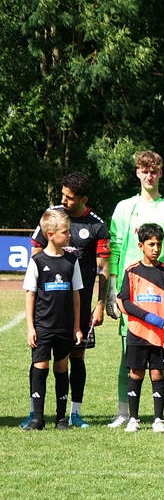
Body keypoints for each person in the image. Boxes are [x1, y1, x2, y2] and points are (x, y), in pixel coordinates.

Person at [107, 151, 164, 428]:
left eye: (154, 171)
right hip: (132, 292)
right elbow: (116, 248)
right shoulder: (124, 208)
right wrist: (112, 289)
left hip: (162, 293)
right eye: (144, 170)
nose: (149, 175)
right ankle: (123, 412)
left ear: (160, 173)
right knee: (128, 355)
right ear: (137, 173)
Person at [22, 172, 110, 429]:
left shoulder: (96, 226)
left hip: (79, 303)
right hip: (48, 306)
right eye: (63, 195)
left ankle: (74, 413)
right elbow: (36, 252)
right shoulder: (53, 215)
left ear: (83, 199)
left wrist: (100, 304)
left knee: (77, 356)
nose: (64, 201)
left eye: (70, 198)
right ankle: (34, 412)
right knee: (40, 359)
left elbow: (103, 268)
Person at [22, 209, 84, 430]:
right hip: (43, 326)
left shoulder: (71, 261)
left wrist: (76, 327)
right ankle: (37, 417)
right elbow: (30, 294)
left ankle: (61, 418)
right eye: (65, 232)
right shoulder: (37, 261)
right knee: (40, 367)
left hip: (64, 327)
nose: (69, 235)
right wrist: (31, 327)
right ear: (50, 235)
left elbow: (76, 296)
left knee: (61, 368)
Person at [116, 223, 164, 433]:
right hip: (137, 333)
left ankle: (158, 420)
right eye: (151, 244)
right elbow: (124, 301)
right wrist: (148, 317)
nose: (156, 248)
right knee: (136, 374)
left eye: (159, 244)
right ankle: (133, 419)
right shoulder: (132, 271)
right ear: (141, 245)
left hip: (159, 336)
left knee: (157, 374)